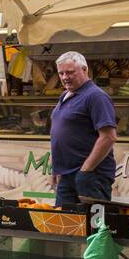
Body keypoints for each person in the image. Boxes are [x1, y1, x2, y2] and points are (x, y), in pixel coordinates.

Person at [50, 52, 117, 205]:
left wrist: (86, 169)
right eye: (61, 73)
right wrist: (56, 168)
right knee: (65, 224)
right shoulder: (65, 95)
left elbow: (108, 137)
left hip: (90, 175)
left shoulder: (96, 96)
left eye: (70, 72)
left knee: (92, 226)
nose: (65, 77)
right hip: (67, 174)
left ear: (85, 70)